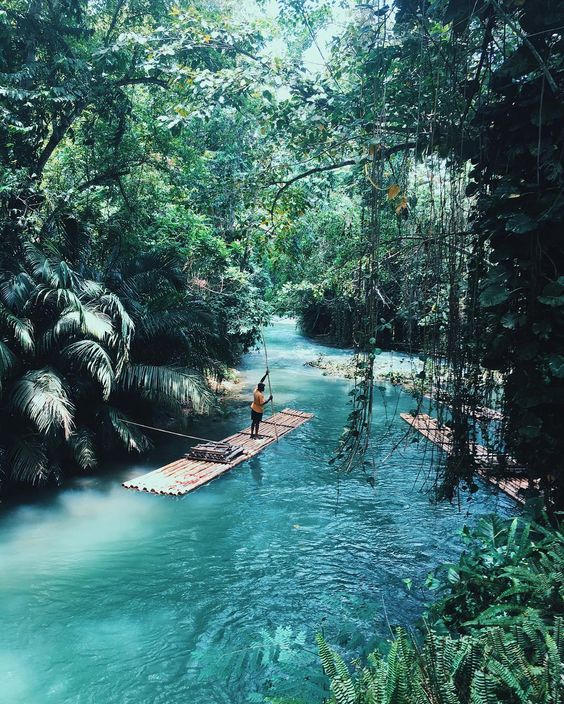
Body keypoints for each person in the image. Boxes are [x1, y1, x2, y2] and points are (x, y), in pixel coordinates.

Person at [250, 369, 273, 439]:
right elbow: (262, 403)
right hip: (258, 410)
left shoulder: (256, 390)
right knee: (257, 423)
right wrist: (269, 399)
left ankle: (251, 434)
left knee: (253, 422)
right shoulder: (260, 395)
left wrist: (266, 375)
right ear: (261, 388)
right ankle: (256, 435)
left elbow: (261, 381)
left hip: (253, 408)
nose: (264, 388)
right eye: (263, 387)